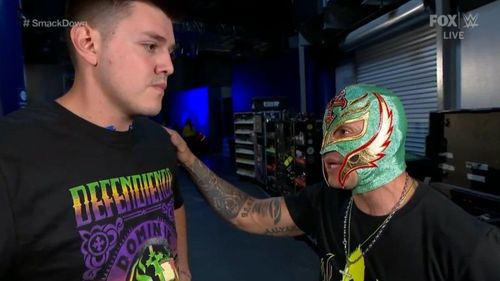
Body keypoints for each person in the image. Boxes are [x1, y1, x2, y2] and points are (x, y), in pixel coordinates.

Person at [166, 84, 500, 281]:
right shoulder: (326, 201)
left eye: (344, 132)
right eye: (328, 134)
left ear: (385, 132)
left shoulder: (467, 244)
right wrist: (190, 159)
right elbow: (248, 212)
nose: (327, 147)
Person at [0, 0, 192, 280]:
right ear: (88, 42)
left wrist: (182, 270)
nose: (168, 66)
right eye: (151, 46)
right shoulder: (11, 152)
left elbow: (174, 205)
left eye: (169, 51)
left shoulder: (158, 140)